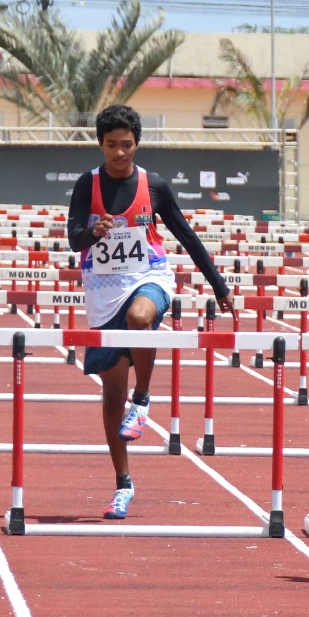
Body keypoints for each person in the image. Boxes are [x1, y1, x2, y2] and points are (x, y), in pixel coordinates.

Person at [66, 104, 234, 520]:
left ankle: (142, 399)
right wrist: (93, 232)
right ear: (101, 145)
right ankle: (123, 484)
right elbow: (74, 239)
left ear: (137, 144)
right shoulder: (87, 184)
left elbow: (187, 236)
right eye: (111, 145)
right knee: (111, 397)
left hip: (150, 277)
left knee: (141, 318)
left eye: (126, 144)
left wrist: (219, 286)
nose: (119, 153)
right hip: (103, 291)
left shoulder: (153, 185)